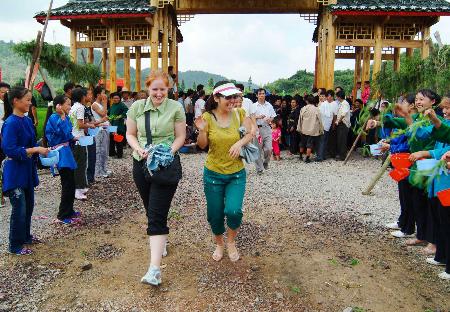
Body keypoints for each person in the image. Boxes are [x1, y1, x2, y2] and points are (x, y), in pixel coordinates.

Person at [126, 70, 186, 286]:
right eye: (155, 89)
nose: (159, 93)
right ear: (148, 89)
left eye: (163, 89)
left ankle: (154, 270)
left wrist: (169, 151)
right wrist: (140, 149)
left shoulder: (176, 108)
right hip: (140, 162)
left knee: (156, 214)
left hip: (165, 164)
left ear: (168, 89)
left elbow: (181, 136)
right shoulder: (137, 107)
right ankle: (160, 240)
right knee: (150, 207)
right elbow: (130, 134)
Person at [195, 81, 253, 263]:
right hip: (213, 174)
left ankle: (231, 242)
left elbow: (251, 133)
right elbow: (202, 145)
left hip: (236, 173)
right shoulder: (207, 116)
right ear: (217, 98)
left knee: (234, 210)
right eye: (228, 97)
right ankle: (219, 243)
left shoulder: (240, 113)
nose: (232, 100)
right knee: (215, 213)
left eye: (234, 96)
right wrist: (202, 131)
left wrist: (239, 143)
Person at [2, 87, 49, 255]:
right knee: (19, 208)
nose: (30, 103)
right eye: (27, 100)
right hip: (15, 170)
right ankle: (14, 245)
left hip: (27, 169)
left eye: (30, 99)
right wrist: (35, 150)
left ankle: (26, 236)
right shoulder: (10, 123)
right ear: (15, 101)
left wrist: (40, 149)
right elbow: (10, 150)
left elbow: (31, 144)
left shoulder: (27, 121)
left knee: (28, 206)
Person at [45, 95, 79, 225]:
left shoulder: (63, 117)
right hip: (61, 154)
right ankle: (62, 214)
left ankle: (69, 210)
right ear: (59, 105)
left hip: (66, 152)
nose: (70, 107)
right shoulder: (54, 118)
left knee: (71, 183)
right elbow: (62, 133)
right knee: (67, 184)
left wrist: (73, 138)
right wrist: (63, 118)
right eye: (68, 104)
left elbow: (68, 134)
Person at [69, 88, 96, 200]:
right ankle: (78, 189)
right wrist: (90, 126)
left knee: (80, 162)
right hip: (79, 139)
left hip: (75, 138)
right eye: (85, 95)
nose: (86, 97)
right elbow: (80, 124)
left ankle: (81, 186)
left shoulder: (73, 106)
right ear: (82, 97)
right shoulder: (80, 107)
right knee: (80, 164)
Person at [254, 88, 276, 174]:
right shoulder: (253, 106)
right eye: (259, 94)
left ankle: (266, 162)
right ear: (257, 95)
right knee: (258, 150)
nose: (261, 95)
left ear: (265, 94)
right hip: (257, 129)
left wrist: (270, 119)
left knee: (269, 149)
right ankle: (259, 169)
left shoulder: (269, 105)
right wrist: (258, 117)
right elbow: (250, 117)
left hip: (267, 128)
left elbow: (273, 116)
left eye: (263, 93)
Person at [297, 95, 323, 163]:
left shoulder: (303, 108)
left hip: (304, 129)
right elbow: (320, 120)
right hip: (312, 130)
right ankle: (307, 158)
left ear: (307, 101)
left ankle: (300, 156)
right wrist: (321, 129)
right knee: (309, 144)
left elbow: (300, 119)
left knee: (302, 143)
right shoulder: (316, 109)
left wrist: (299, 128)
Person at [91, 86, 110, 178]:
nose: (105, 95)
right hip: (99, 130)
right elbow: (103, 114)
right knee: (99, 150)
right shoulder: (94, 104)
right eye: (103, 93)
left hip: (105, 129)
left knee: (105, 151)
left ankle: (103, 169)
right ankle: (98, 171)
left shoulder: (101, 104)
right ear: (98, 94)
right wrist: (105, 102)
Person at [108, 93, 128, 159]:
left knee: (118, 140)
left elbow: (127, 111)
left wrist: (120, 116)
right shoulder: (113, 105)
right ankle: (112, 153)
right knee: (111, 139)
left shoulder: (122, 105)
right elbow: (109, 112)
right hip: (112, 123)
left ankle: (119, 155)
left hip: (119, 124)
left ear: (120, 99)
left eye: (117, 98)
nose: (115, 99)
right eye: (114, 98)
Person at [318, 91, 335, 161]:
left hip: (323, 126)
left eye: (323, 96)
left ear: (326, 97)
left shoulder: (323, 104)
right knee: (324, 141)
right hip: (327, 126)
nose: (321, 97)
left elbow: (319, 115)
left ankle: (320, 157)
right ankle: (323, 156)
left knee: (322, 141)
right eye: (320, 96)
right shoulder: (327, 104)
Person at [335, 90, 351, 160]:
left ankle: (342, 156)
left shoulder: (345, 103)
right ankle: (340, 154)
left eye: (337, 97)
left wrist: (338, 121)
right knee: (340, 139)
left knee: (342, 140)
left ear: (339, 97)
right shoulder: (341, 103)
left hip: (343, 124)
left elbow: (343, 114)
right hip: (340, 123)